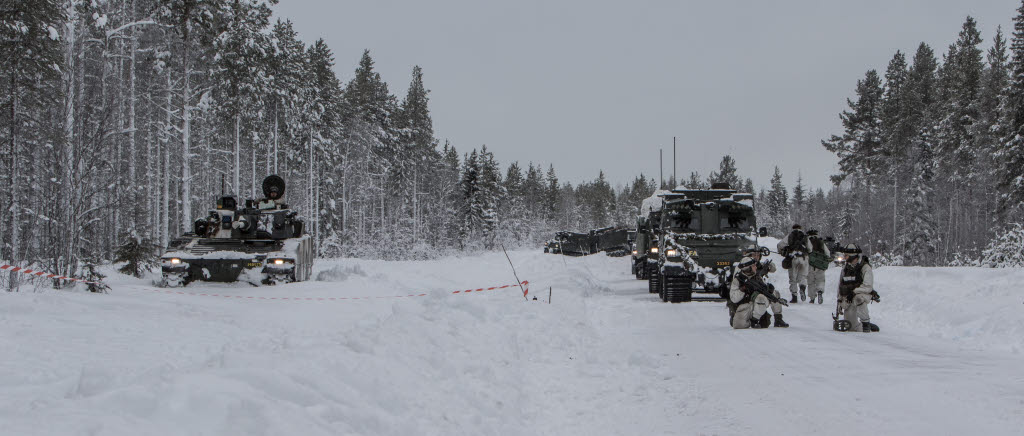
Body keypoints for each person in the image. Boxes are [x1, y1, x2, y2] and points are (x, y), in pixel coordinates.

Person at [729, 256, 789, 329]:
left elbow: (763, 290)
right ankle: (739, 317)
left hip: (758, 305)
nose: (756, 267)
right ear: (748, 268)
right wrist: (743, 289)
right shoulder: (738, 280)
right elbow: (734, 299)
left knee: (773, 294)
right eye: (753, 266)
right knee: (739, 325)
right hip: (745, 306)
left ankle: (778, 319)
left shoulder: (757, 277)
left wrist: (768, 289)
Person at [837, 244, 880, 332]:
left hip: (862, 294)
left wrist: (854, 292)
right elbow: (840, 286)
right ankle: (865, 326)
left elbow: (868, 287)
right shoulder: (845, 269)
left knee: (858, 298)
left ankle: (866, 323)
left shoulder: (865, 267)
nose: (845, 257)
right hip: (848, 297)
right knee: (851, 327)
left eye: (846, 255)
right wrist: (839, 301)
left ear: (853, 256)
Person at [777, 224, 811, 303]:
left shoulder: (790, 235)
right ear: (800, 228)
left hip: (793, 257)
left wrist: (782, 252)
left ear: (793, 228)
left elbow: (780, 245)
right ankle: (802, 288)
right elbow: (810, 248)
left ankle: (794, 297)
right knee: (803, 276)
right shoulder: (805, 236)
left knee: (793, 279)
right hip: (803, 258)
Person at [806, 229, 830, 304]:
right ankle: (820, 291)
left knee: (811, 282)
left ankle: (812, 298)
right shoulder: (821, 242)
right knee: (820, 280)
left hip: (810, 264)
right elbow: (827, 253)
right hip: (820, 264)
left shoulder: (807, 241)